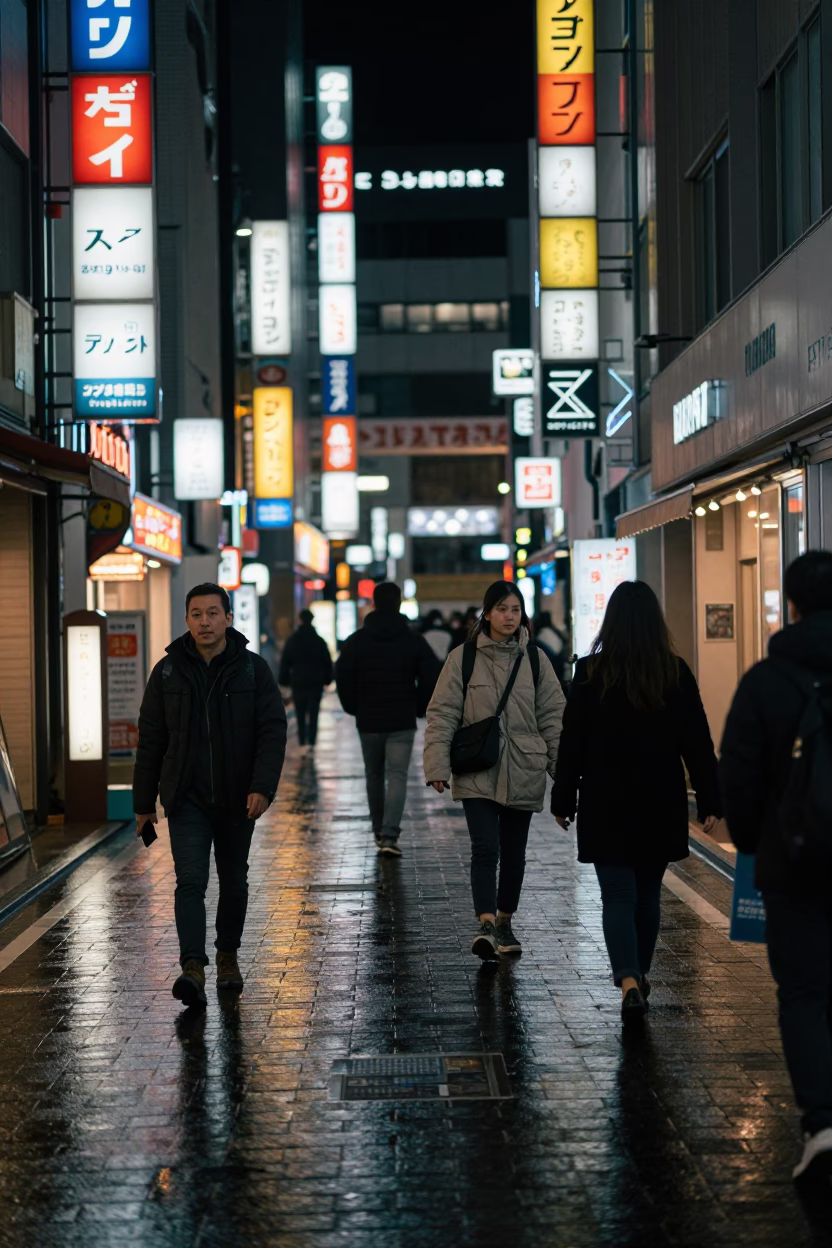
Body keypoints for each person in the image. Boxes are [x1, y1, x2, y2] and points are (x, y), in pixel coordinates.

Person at [551, 581, 721, 1024]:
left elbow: (572, 744)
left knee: (617, 896)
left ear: (611, 622)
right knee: (647, 896)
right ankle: (639, 975)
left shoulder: (589, 673)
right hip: (659, 799)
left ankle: (627, 980)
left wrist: (563, 798)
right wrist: (709, 798)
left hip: (606, 799)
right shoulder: (675, 672)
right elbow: (698, 743)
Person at [720, 551, 832, 1185]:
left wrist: (755, 838)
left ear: (791, 604)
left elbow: (737, 772)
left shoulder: (767, 679)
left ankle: (822, 1123)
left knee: (803, 991)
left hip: (792, 864)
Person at [133, 583, 287, 1008]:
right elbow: (151, 740)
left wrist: (262, 787)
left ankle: (227, 956)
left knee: (234, 883)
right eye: (197, 614)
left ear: (229, 618)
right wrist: (143, 805)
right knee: (190, 882)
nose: (205, 621)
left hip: (239, 799)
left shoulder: (252, 669)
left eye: (213, 613)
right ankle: (193, 967)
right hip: (186, 799)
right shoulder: (167, 673)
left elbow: (272, 731)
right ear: (186, 620)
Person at [424, 581, 565, 959]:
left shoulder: (536, 659)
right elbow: (443, 713)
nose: (509, 616)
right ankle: (486, 923)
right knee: (485, 848)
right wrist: (437, 764)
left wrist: (562, 775)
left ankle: (505, 920)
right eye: (502, 609)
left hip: (524, 766)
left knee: (514, 852)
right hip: (477, 769)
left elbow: (553, 718)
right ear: (486, 613)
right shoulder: (463, 658)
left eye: (515, 610)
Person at [335, 582, 440, 856]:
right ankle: (390, 835)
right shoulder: (412, 638)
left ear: (374, 602)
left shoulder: (358, 640)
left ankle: (378, 830)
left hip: (368, 718)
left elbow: (342, 674)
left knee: (373, 775)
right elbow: (431, 673)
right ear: (399, 603)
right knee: (397, 775)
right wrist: (419, 706)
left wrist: (353, 706)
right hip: (401, 718)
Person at [278, 609, 333, 750]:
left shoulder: (293, 640)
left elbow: (285, 662)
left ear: (300, 620)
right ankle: (312, 743)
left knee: (300, 712)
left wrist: (284, 681)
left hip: (299, 681)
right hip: (316, 682)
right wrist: (327, 679)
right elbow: (327, 662)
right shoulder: (319, 641)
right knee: (314, 713)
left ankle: (302, 742)